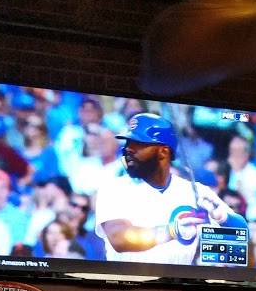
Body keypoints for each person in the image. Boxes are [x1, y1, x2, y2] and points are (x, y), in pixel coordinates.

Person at [95, 112, 244, 266]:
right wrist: (171, 231)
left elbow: (241, 241)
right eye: (127, 142)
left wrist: (223, 218)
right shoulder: (114, 188)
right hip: (127, 279)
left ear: (163, 151)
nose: (128, 149)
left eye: (137, 143)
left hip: (179, 279)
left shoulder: (195, 191)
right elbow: (119, 238)